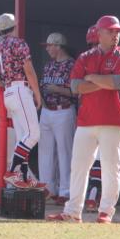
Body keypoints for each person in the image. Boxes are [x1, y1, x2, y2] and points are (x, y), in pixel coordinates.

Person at [48, 15, 120, 223]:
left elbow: (118, 81)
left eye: (117, 32)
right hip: (87, 120)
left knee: (110, 166)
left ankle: (106, 211)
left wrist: (93, 79)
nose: (115, 35)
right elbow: (75, 87)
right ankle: (72, 212)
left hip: (114, 119)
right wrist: (102, 82)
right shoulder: (86, 57)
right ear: (99, 33)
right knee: (78, 166)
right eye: (111, 31)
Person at [0, 13, 44, 189]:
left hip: (9, 92)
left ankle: (25, 176)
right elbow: (28, 70)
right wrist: (37, 94)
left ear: (0, 28)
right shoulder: (18, 43)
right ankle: (12, 171)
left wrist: (8, 87)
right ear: (15, 26)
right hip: (21, 89)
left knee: (23, 138)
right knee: (33, 134)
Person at [38, 33, 76, 204]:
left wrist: (57, 89)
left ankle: (65, 190)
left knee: (64, 152)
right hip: (47, 111)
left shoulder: (72, 65)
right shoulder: (48, 65)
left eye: (49, 45)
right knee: (45, 152)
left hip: (64, 110)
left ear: (58, 46)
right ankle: (48, 188)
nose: (47, 49)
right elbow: (42, 86)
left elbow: (76, 92)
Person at [84, 25, 102, 213]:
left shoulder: (84, 59)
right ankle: (92, 197)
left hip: (88, 113)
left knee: (91, 159)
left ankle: (90, 197)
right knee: (100, 159)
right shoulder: (106, 59)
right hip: (99, 113)